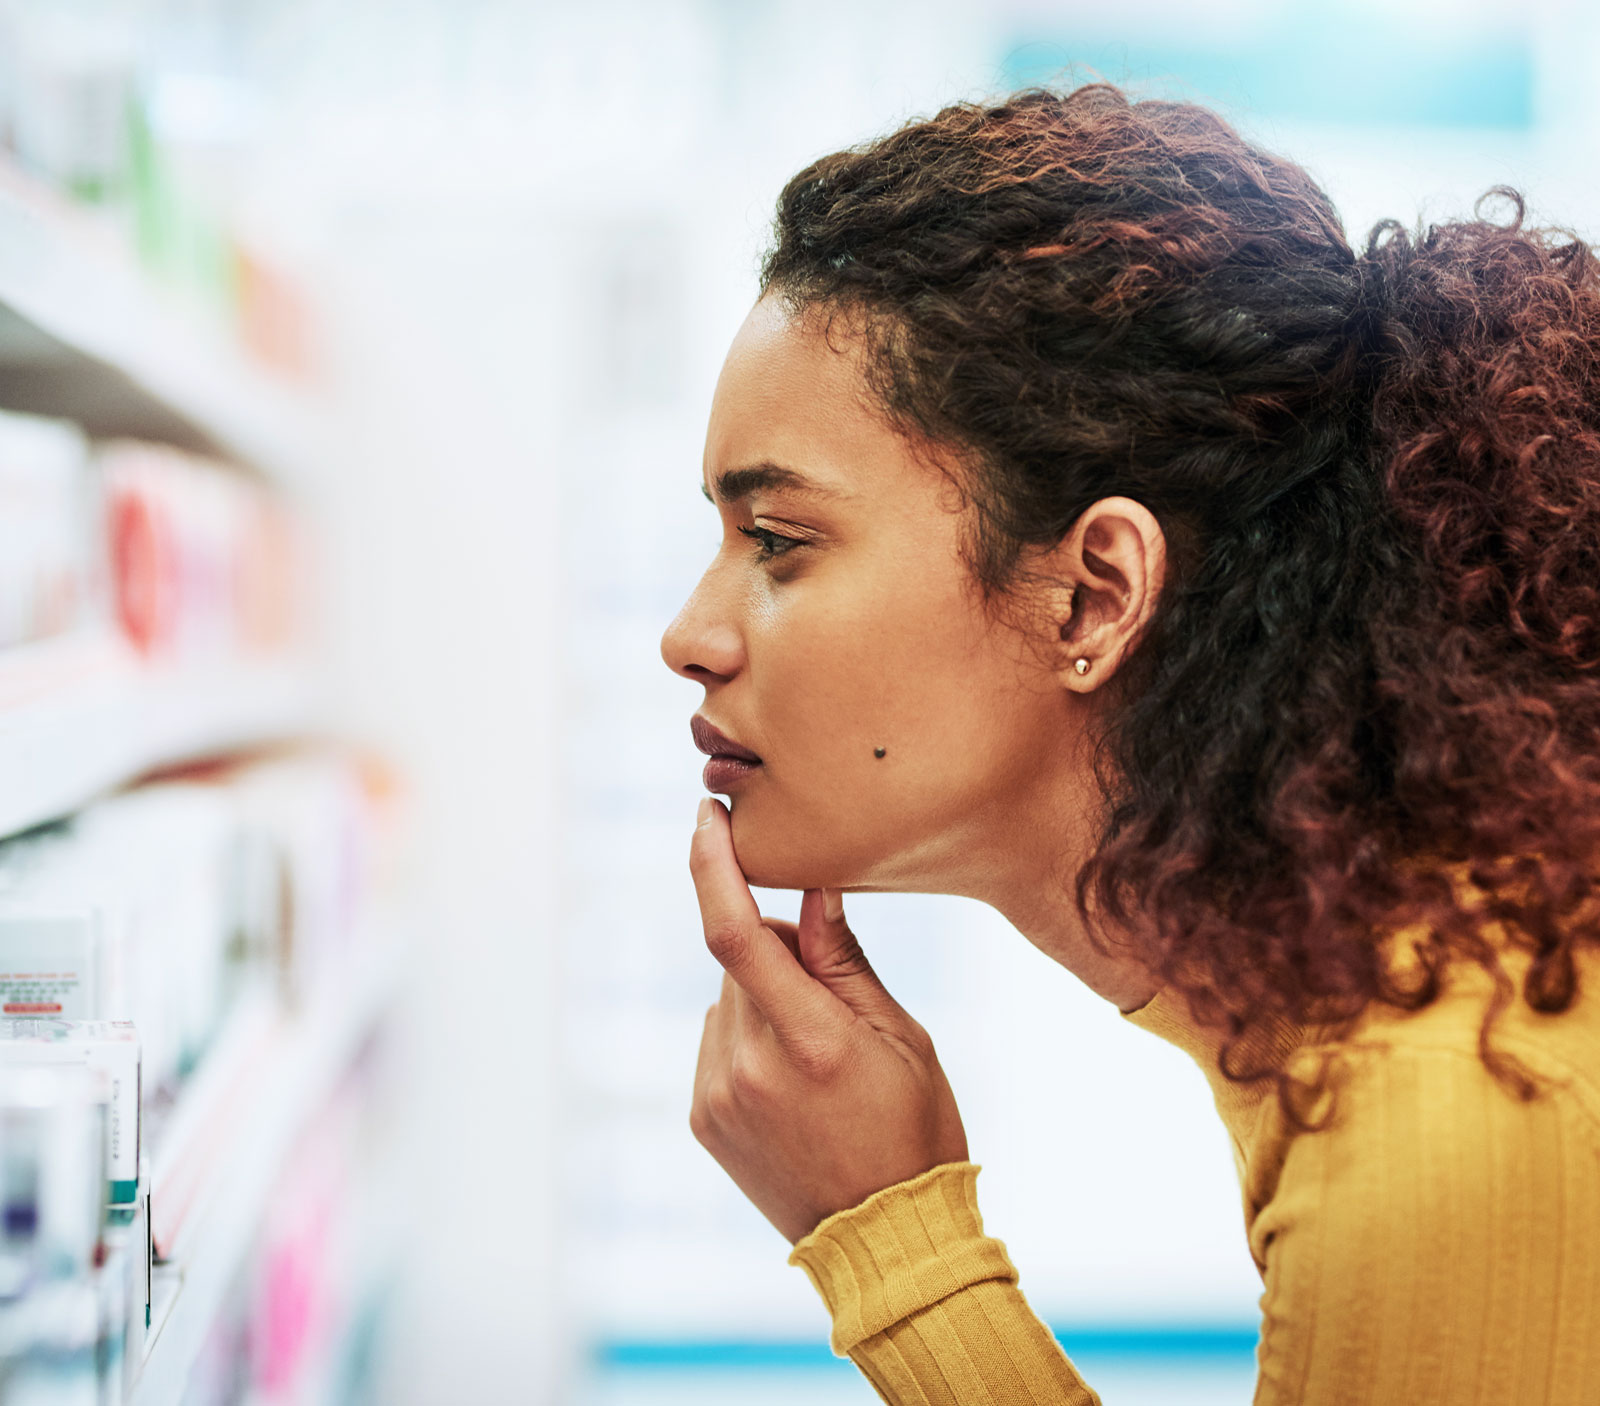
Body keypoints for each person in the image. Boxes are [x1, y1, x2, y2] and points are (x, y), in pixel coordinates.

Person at [659, 84, 1600, 1404]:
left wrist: (897, 1248)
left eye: (777, 543)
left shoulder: (1447, 1103)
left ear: (1095, 591)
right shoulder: (1361, 993)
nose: (689, 636)